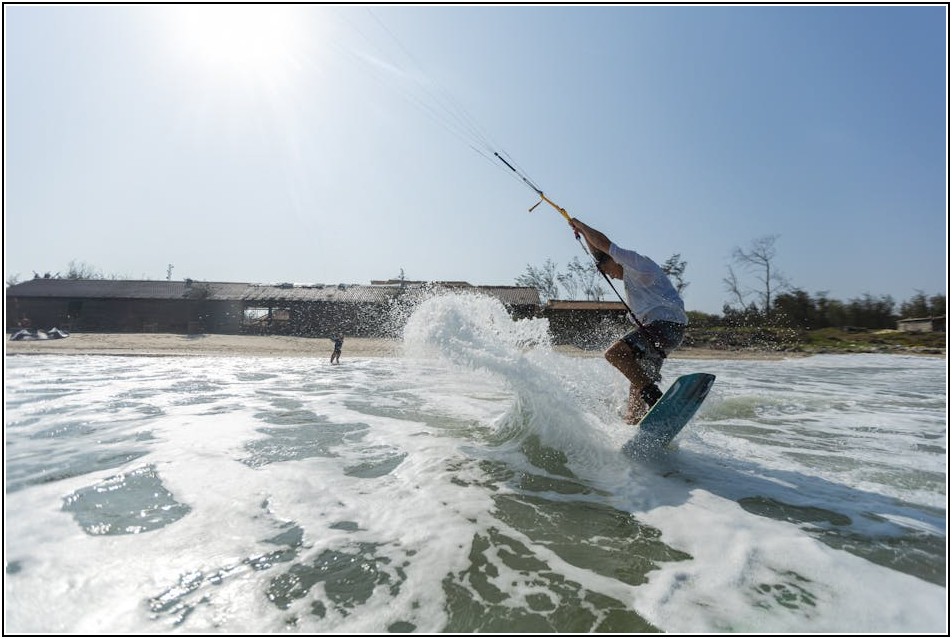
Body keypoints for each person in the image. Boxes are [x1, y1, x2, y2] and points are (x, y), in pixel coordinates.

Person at [569, 217, 688, 425]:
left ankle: (655, 398)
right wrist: (583, 234)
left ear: (613, 259)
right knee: (637, 381)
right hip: (666, 332)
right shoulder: (629, 277)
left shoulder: (634, 262)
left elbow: (604, 246)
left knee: (614, 354)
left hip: (664, 327)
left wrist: (582, 226)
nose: (609, 275)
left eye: (606, 269)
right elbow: (599, 253)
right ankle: (634, 424)